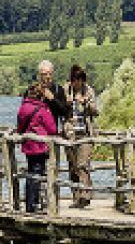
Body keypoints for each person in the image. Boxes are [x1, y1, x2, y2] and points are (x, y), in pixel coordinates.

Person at [17, 83, 58, 213]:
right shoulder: (42, 109)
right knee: (38, 173)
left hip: (28, 145)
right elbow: (52, 128)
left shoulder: (23, 107)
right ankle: (33, 204)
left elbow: (19, 126)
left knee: (30, 172)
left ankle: (29, 203)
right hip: (40, 146)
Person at [64, 65, 99, 208]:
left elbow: (96, 111)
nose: (77, 83)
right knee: (72, 167)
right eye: (75, 80)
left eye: (80, 81)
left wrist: (85, 103)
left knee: (82, 165)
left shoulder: (89, 91)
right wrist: (66, 103)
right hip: (70, 133)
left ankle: (86, 195)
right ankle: (76, 197)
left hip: (85, 133)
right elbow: (59, 108)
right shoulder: (66, 90)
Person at [29, 60, 69, 127]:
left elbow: (65, 113)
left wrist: (53, 99)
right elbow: (25, 112)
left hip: (51, 131)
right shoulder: (32, 90)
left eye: (50, 74)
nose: (48, 77)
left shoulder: (58, 90)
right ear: (39, 75)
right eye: (45, 74)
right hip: (34, 130)